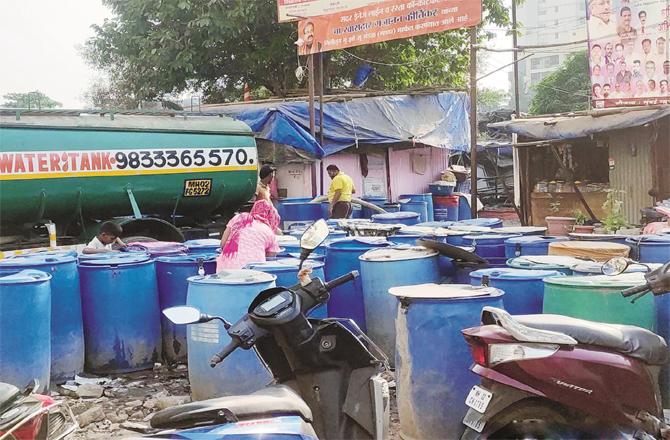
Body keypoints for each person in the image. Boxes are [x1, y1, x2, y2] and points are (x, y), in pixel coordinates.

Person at [216, 200, 281, 271]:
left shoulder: (239, 218)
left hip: (224, 271)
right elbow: (271, 258)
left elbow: (222, 244)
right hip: (253, 274)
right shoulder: (269, 231)